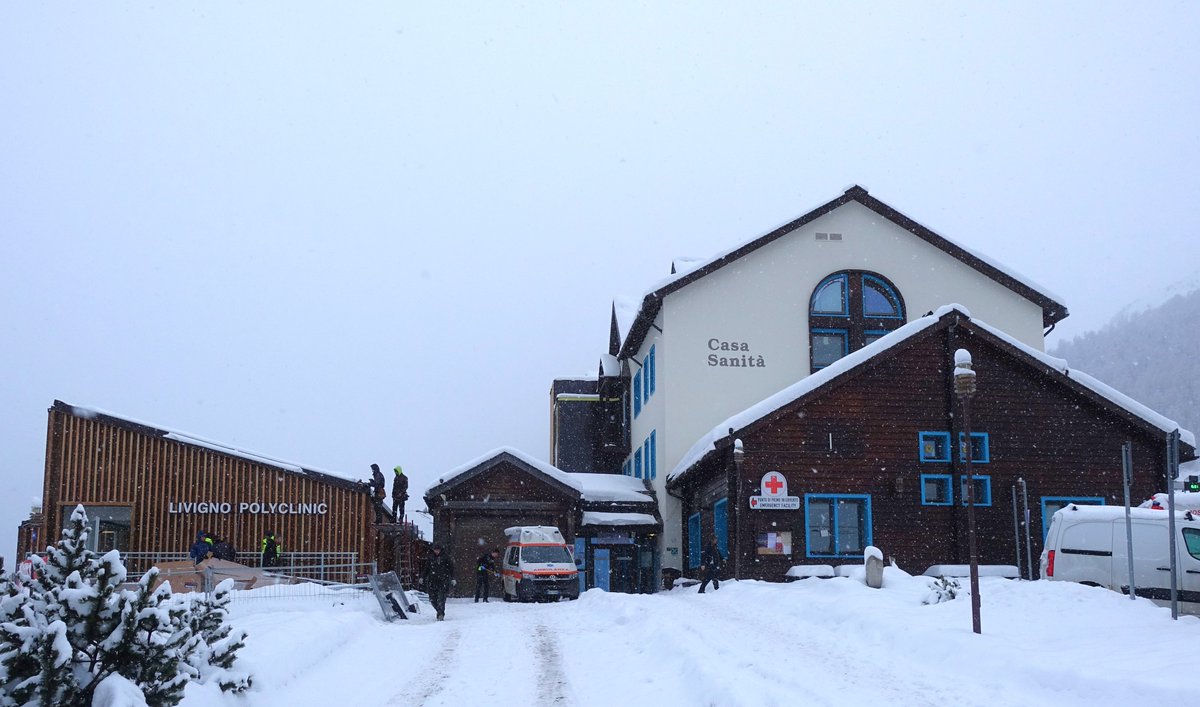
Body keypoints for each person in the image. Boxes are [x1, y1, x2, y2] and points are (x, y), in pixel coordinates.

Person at [425, 544, 455, 621]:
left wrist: (453, 578)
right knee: (432, 599)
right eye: (435, 550)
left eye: (438, 550)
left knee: (441, 599)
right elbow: (426, 568)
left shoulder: (445, 557)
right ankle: (439, 611)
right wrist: (422, 577)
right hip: (432, 581)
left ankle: (441, 614)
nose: (436, 551)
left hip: (443, 581)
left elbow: (451, 568)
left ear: (440, 550)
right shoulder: (430, 557)